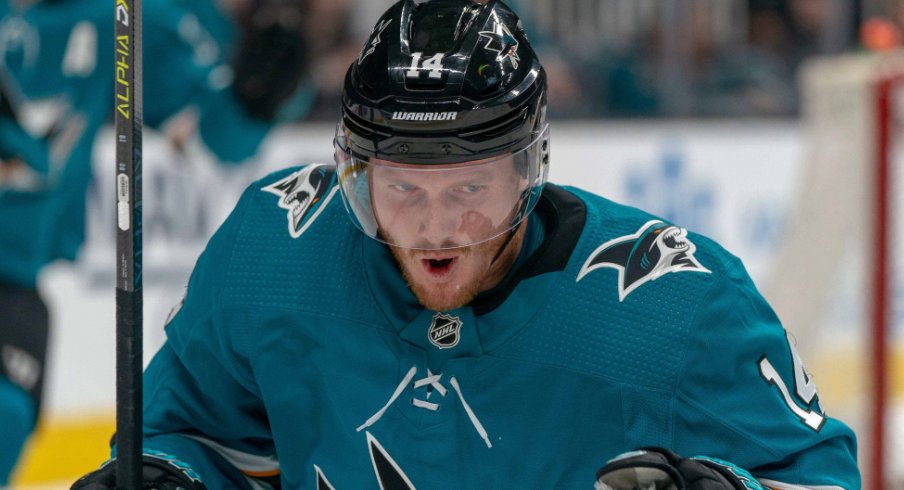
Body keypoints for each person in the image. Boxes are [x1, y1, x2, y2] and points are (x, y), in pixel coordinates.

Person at [73, 0, 860, 488]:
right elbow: (198, 436)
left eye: (470, 189)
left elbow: (818, 475)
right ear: (355, 173)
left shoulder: (673, 304)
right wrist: (167, 475)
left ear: (529, 173)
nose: (437, 226)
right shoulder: (275, 254)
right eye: (403, 187)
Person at [0, 0, 306, 483]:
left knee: (5, 415)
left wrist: (254, 98)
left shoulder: (119, 20)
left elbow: (215, 138)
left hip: (10, 283)